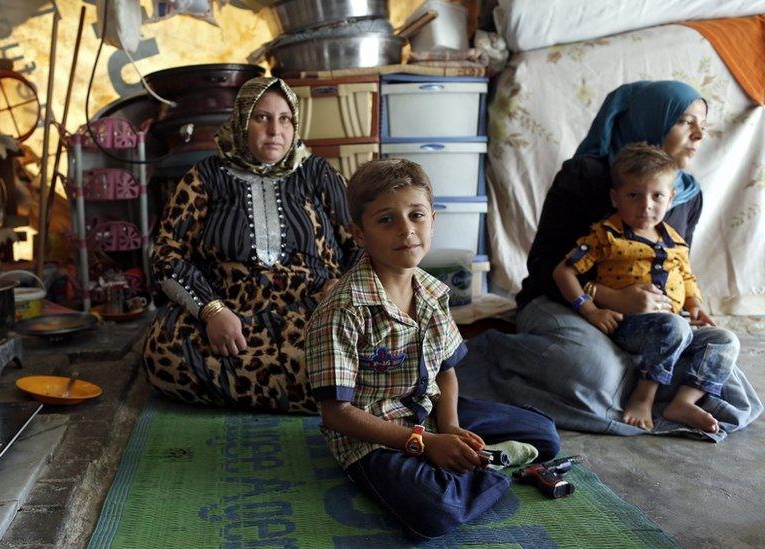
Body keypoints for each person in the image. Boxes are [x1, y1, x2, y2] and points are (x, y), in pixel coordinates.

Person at [456, 80, 761, 439]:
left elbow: (679, 267)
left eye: (702, 125)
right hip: (565, 303)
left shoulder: (688, 196)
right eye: (684, 121)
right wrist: (611, 299)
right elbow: (545, 267)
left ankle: (654, 391)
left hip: (651, 323)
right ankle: (499, 356)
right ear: (650, 120)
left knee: (727, 374)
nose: (698, 135)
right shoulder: (586, 176)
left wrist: (689, 306)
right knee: (594, 373)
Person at [305, 159, 559, 538]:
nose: (407, 230)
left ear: (432, 221)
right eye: (386, 220)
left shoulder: (431, 292)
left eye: (416, 215)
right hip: (374, 436)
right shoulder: (343, 309)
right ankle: (486, 468)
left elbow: (446, 370)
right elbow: (336, 413)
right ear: (359, 234)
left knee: (545, 435)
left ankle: (468, 462)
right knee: (436, 511)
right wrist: (422, 443)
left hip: (428, 410)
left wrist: (452, 426)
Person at [143, 76, 361, 413]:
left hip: (314, 312)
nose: (275, 130)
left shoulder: (318, 173)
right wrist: (211, 310)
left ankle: (256, 388)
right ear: (242, 121)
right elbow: (167, 255)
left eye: (285, 119)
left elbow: (362, 241)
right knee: (164, 348)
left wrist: (345, 287)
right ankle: (321, 393)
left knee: (366, 343)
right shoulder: (206, 177)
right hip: (233, 318)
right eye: (262, 117)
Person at [553, 143, 737, 433]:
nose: (646, 205)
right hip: (631, 326)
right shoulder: (606, 234)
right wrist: (589, 311)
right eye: (634, 195)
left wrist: (695, 305)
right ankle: (643, 396)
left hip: (677, 326)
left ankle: (683, 402)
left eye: (657, 196)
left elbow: (687, 278)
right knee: (673, 328)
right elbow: (563, 271)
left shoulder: (675, 240)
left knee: (725, 340)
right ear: (616, 198)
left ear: (671, 198)